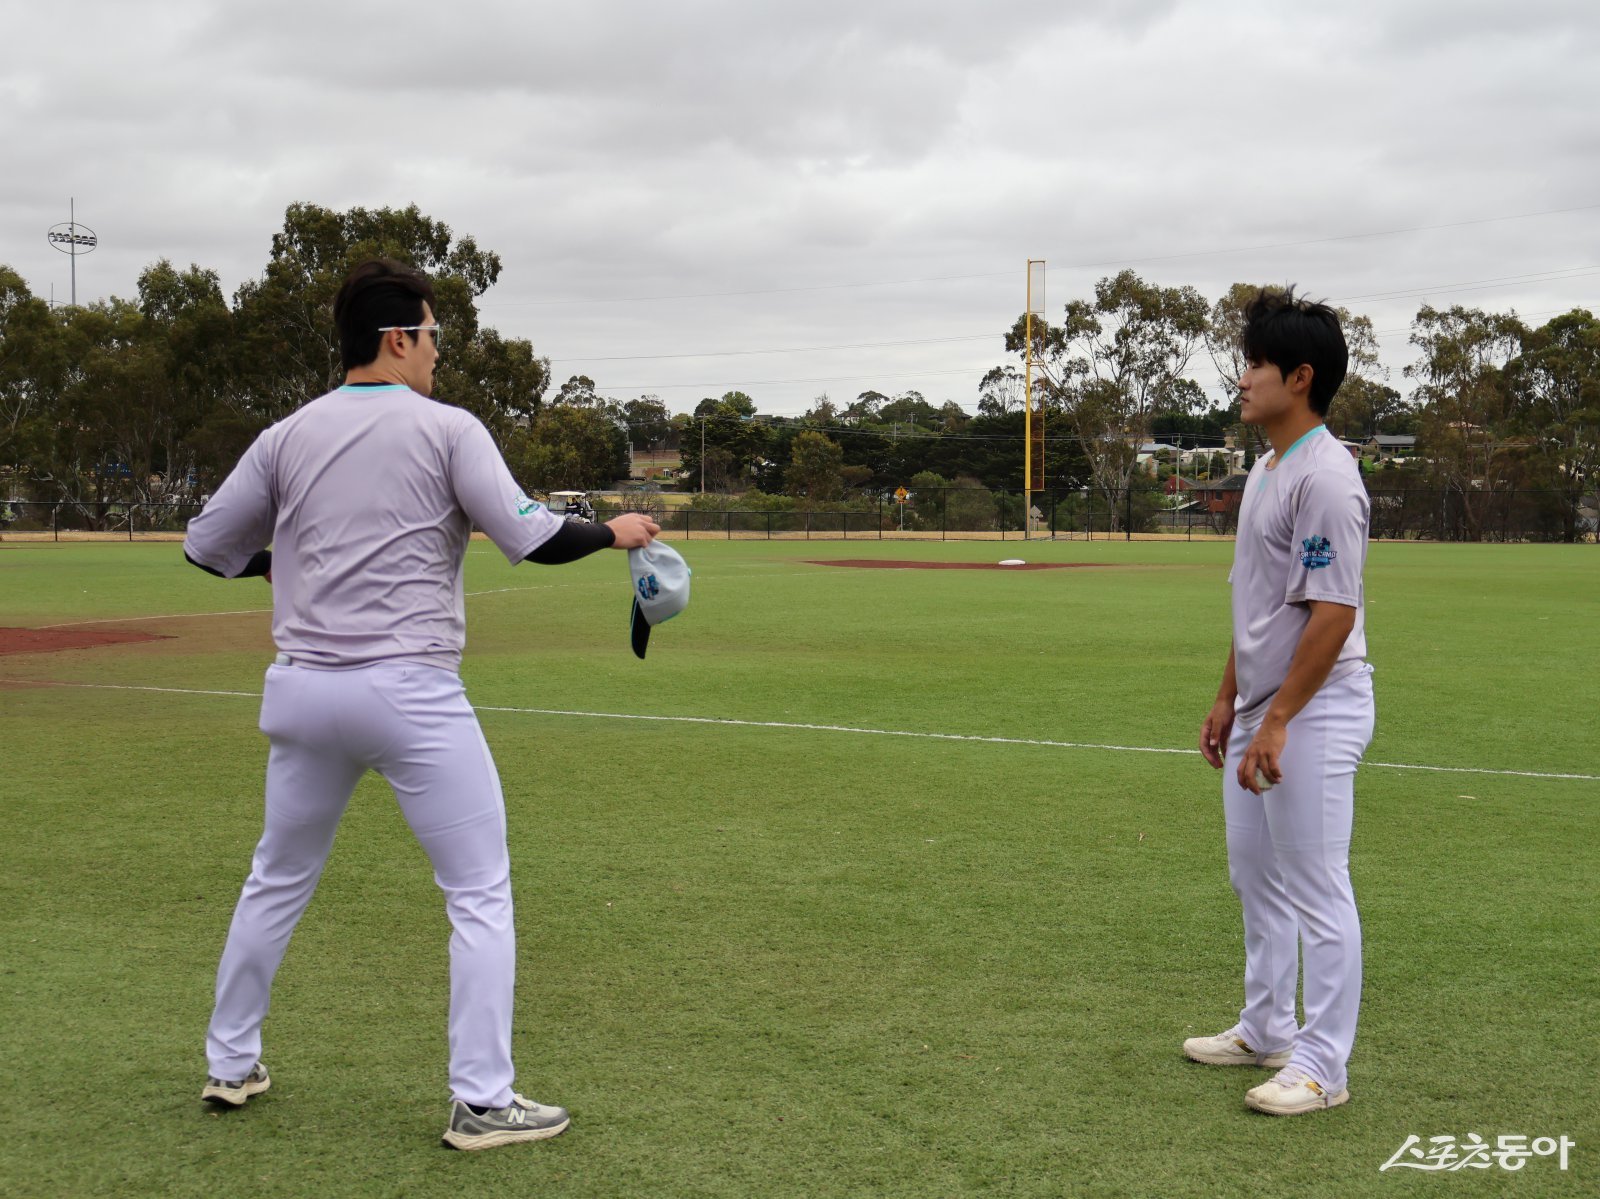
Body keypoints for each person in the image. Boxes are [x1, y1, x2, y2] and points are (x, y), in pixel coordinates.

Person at [182, 258, 660, 1150]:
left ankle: (229, 1060)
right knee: (478, 889)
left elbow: (206, 547)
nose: (439, 352)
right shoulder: (447, 428)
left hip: (304, 694)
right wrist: (615, 532)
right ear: (398, 337)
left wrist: (284, 565)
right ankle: (482, 1099)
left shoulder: (287, 433)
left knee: (276, 878)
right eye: (435, 336)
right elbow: (531, 536)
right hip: (410, 693)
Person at [1185, 287, 1375, 1117]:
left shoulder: (1329, 478)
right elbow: (1258, 602)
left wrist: (1284, 718)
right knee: (1255, 874)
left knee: (1315, 881)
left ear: (1300, 378)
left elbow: (1332, 612)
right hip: (1264, 706)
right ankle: (1267, 1027)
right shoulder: (1268, 468)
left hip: (1317, 708)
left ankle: (1322, 1066)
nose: (1243, 376)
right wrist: (1230, 699)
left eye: (1257, 364)